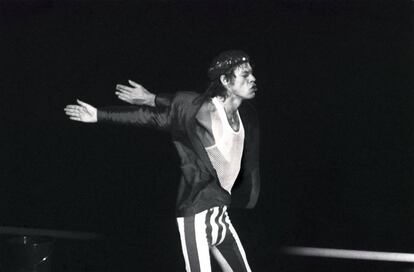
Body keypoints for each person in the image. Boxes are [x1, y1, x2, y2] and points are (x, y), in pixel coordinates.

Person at [64, 50, 260, 272]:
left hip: (220, 213)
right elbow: (154, 116)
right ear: (225, 80)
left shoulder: (247, 116)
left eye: (252, 73)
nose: (253, 79)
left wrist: (151, 97)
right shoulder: (206, 112)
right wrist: (101, 114)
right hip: (196, 212)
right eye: (245, 75)